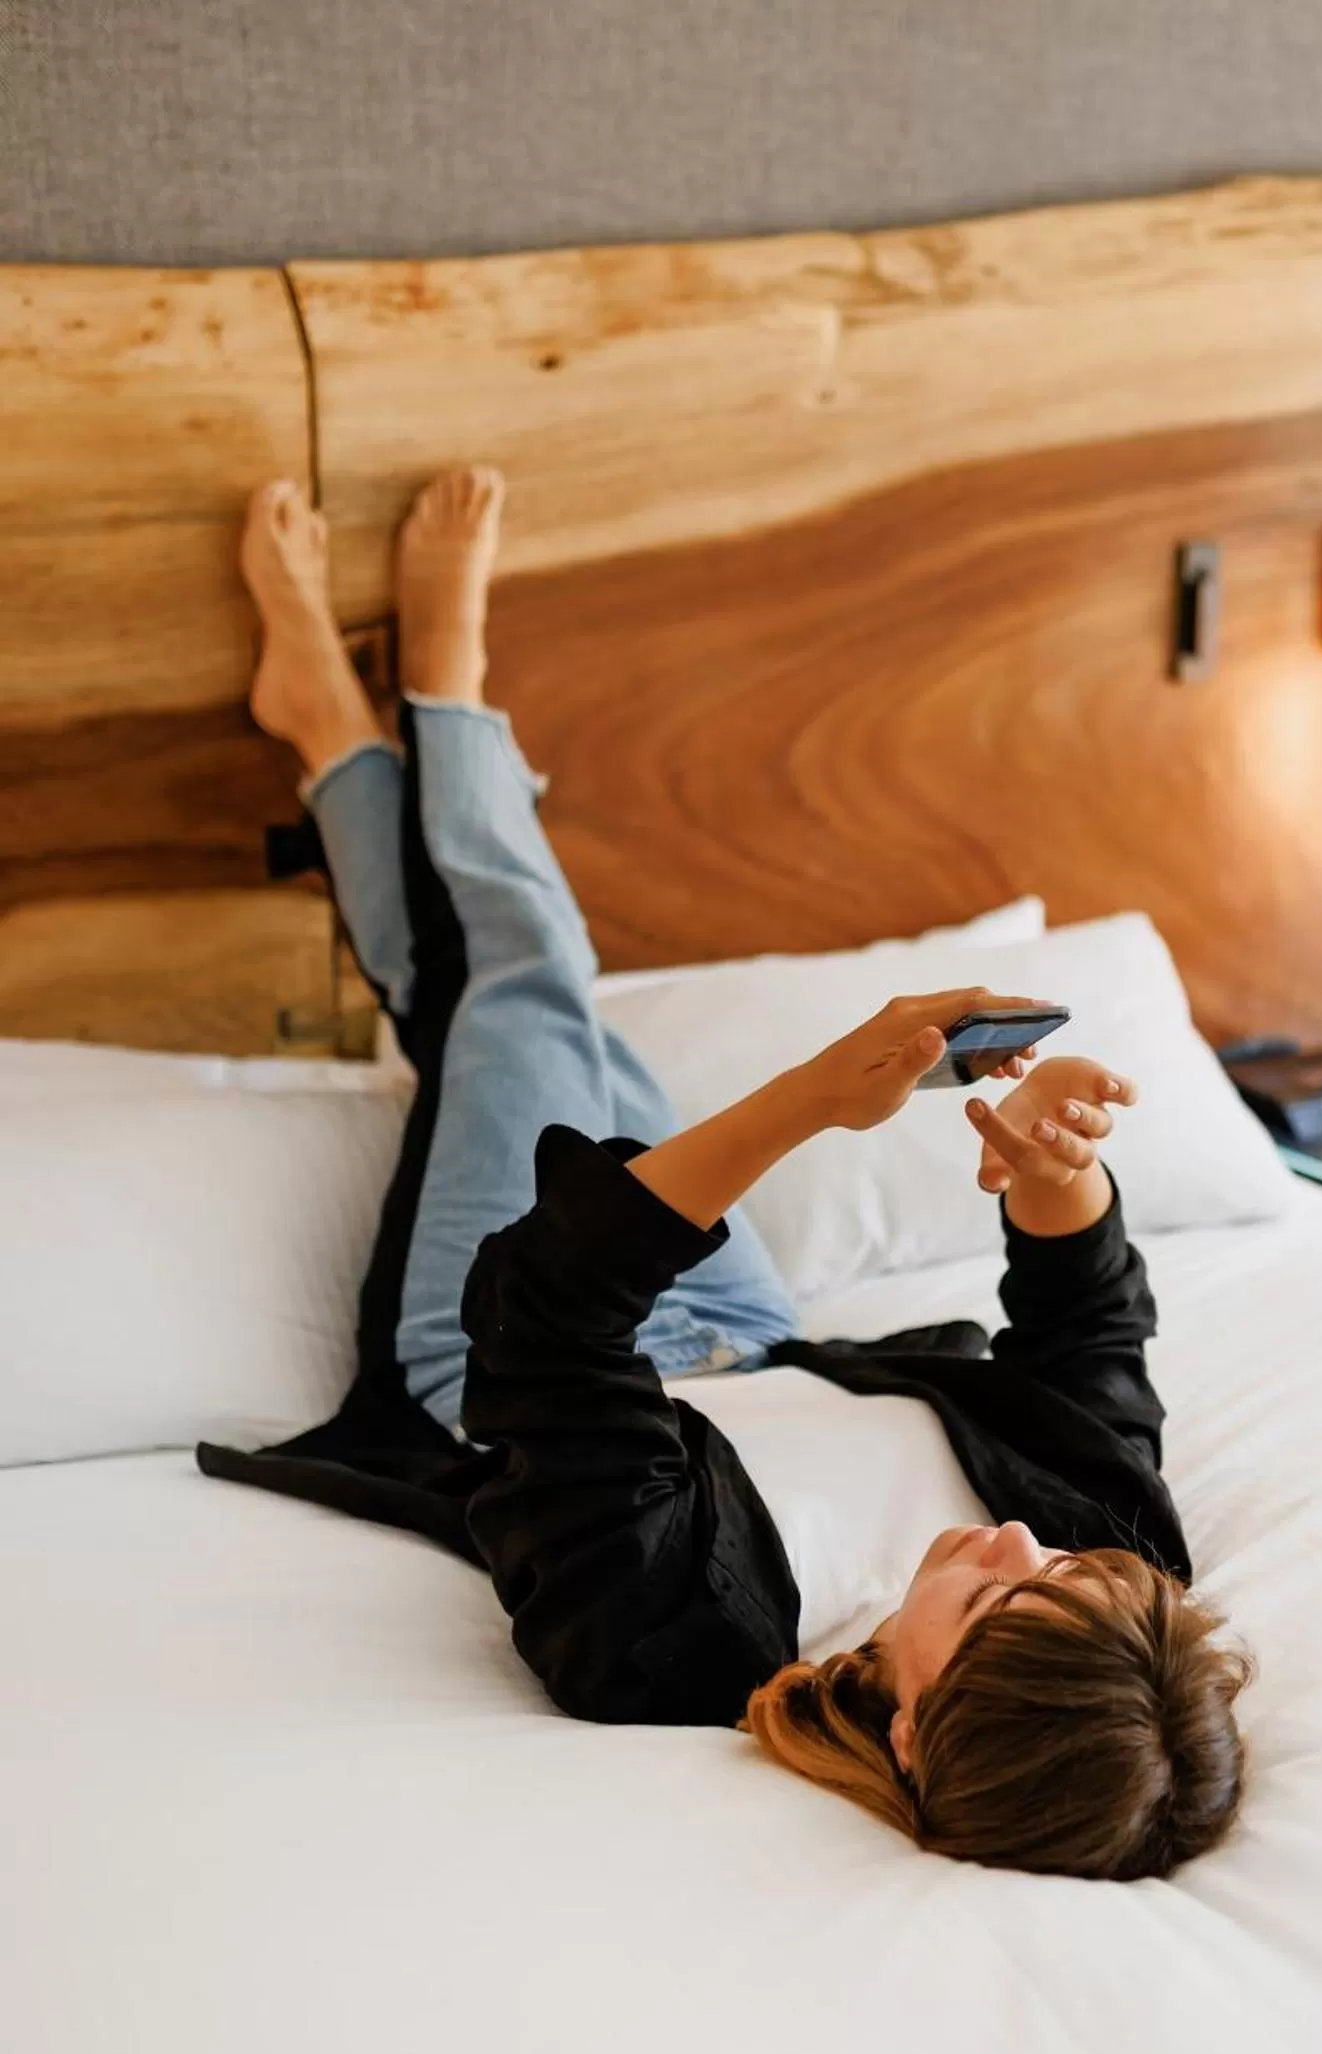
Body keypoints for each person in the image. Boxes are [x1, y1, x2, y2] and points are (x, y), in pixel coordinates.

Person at [200, 469, 1252, 1882]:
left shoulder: (662, 1646)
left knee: (522, 988)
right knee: (517, 1013)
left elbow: (556, 1318)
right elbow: (1091, 1335)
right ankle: (350, 739)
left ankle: (429, 709)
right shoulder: (1113, 1575)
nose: (1014, 1538)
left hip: (504, 1342)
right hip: (746, 1329)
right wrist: (1055, 1175)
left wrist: (812, 1097)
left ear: (911, 1736)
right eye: (1066, 1572)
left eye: (1001, 1604)